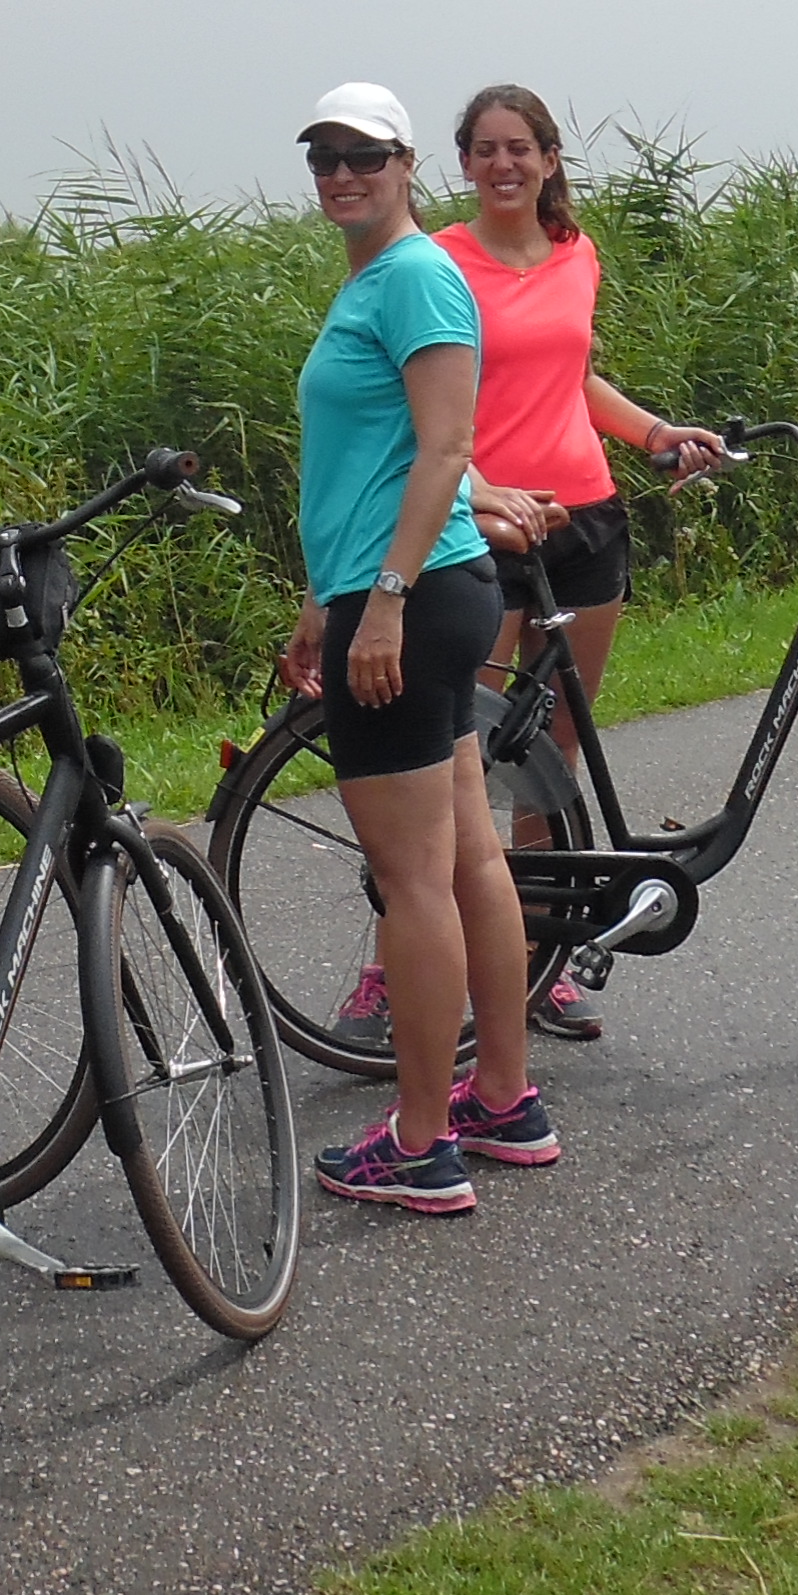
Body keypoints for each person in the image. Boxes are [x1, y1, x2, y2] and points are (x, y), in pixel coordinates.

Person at [275, 81, 554, 1215]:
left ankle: (423, 1140)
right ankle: (503, 1099)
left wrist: (379, 602)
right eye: (324, 158)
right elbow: (370, 467)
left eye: (365, 156)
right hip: (397, 589)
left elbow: (447, 452)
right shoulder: (375, 281)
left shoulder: (417, 278)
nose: (342, 174)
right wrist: (323, 598)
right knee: (469, 859)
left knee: (412, 882)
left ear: (404, 165)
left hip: (417, 596)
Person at [430, 81, 725, 1041]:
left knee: (553, 749)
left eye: (522, 148)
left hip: (585, 514)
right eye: (486, 149)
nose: (505, 164)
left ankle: (539, 946)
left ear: (550, 158)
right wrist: (469, 489)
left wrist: (651, 434)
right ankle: (410, 965)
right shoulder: (441, 263)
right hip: (488, 523)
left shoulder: (575, 252)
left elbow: (574, 376)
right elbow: (424, 402)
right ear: (465, 164)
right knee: (467, 758)